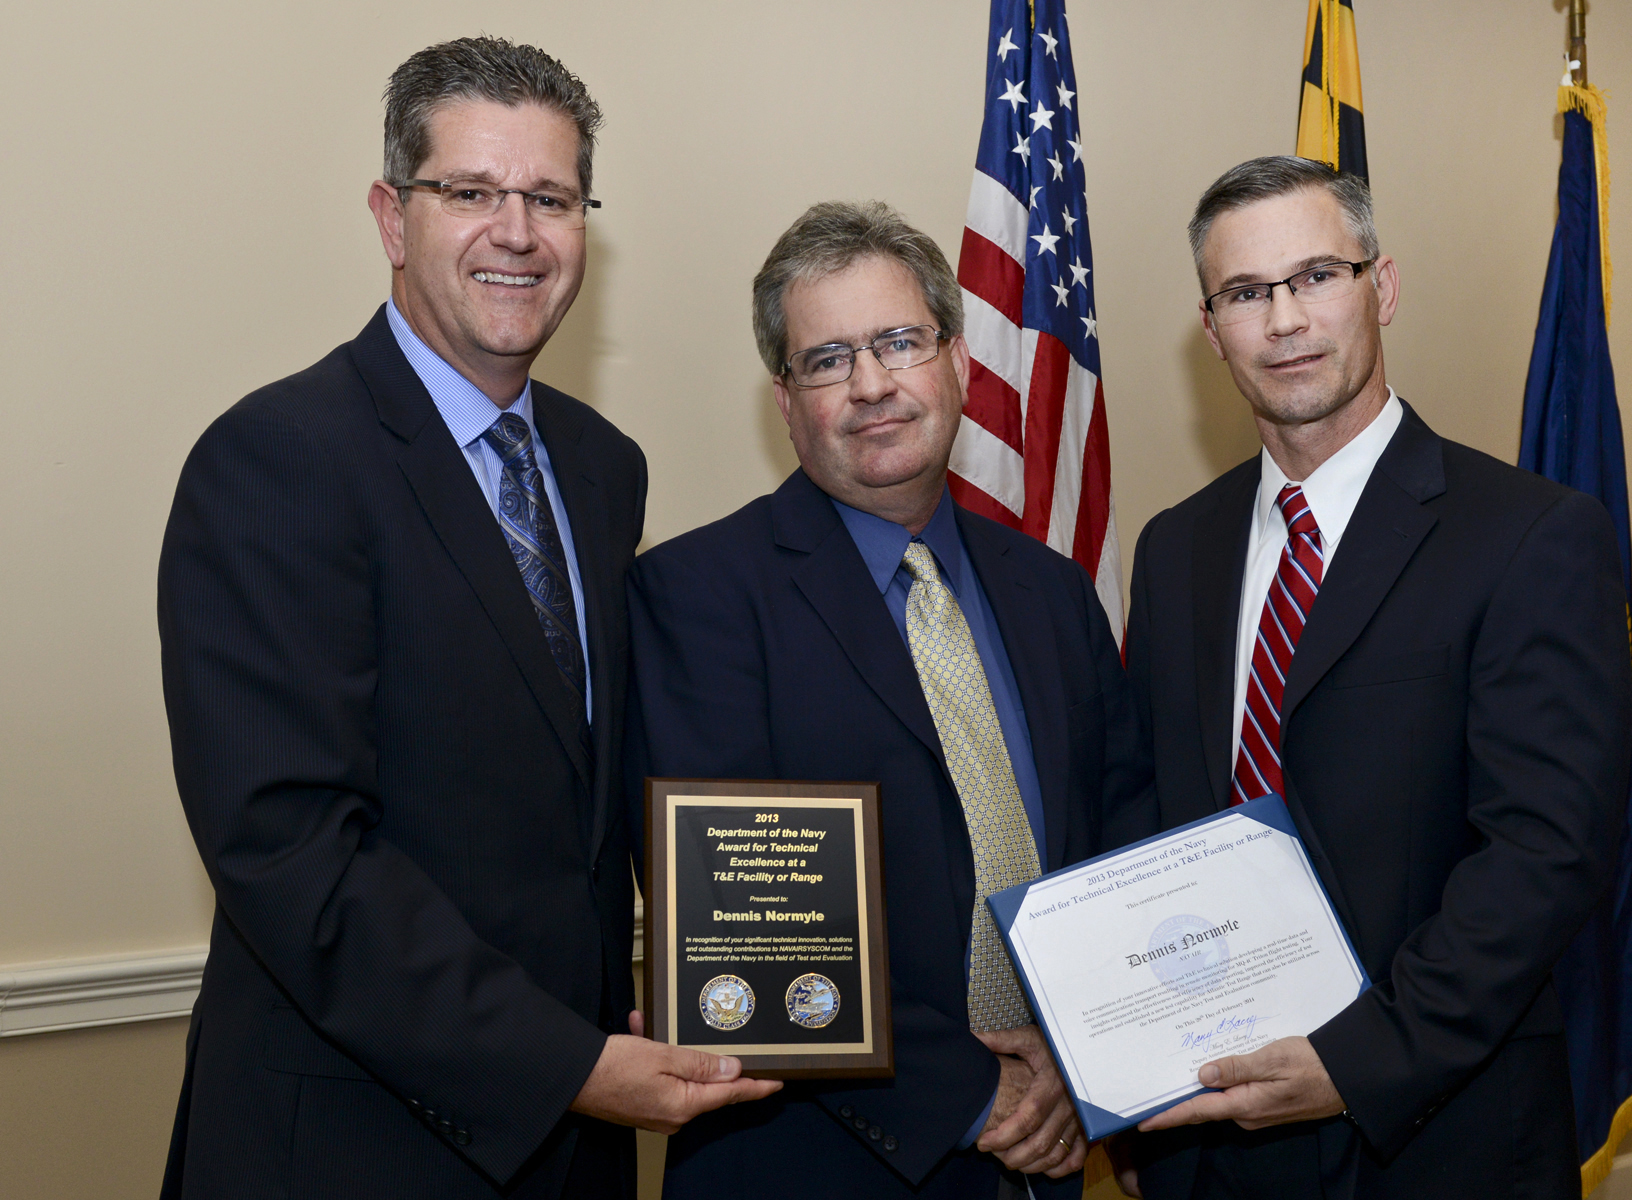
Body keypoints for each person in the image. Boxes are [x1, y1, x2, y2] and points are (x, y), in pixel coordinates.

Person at [157, 37, 775, 1200]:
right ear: (394, 218)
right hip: (353, 1142)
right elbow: (290, 852)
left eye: (551, 197)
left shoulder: (601, 469)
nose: (518, 231)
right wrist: (568, 1063)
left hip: (571, 1148)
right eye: (472, 192)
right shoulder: (280, 457)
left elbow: (576, 796)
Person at [1116, 157, 1632, 1199]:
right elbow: (1152, 818)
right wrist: (1131, 1085)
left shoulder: (1532, 535)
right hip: (1206, 1132)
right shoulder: (1176, 550)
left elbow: (1547, 852)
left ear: (1381, 287)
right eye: (1246, 294)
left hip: (1438, 1129)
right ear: (1209, 329)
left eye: (1318, 275)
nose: (1286, 319)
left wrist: (1356, 1061)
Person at [626, 200, 1155, 1199]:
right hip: (816, 1161)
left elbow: (1121, 835)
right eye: (828, 360)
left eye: (900, 342)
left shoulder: (1050, 591)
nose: (872, 385)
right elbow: (748, 922)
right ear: (785, 400)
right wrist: (980, 1096)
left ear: (956, 362)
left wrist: (1087, 1064)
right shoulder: (698, 597)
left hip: (1049, 1154)